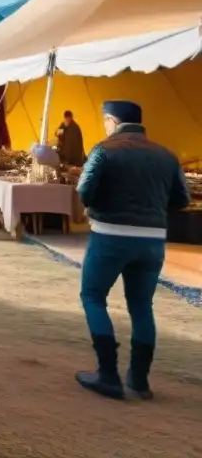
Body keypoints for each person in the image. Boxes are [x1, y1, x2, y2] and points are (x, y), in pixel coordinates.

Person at [73, 100, 189, 400]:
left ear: (111, 120)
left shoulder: (104, 150)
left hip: (110, 235)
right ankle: (139, 380)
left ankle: (108, 374)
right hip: (152, 240)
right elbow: (181, 200)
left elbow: (84, 192)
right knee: (141, 306)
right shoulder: (167, 155)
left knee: (93, 296)